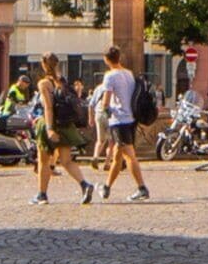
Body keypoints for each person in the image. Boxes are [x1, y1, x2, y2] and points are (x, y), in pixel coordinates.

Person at [30, 71, 91, 205]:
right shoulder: (62, 82)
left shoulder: (44, 83)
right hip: (66, 125)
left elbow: (48, 108)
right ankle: (84, 184)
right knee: (66, 160)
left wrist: (49, 128)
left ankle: (42, 194)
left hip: (50, 124)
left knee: (44, 161)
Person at [97, 62, 150, 200]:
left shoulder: (110, 76)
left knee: (129, 156)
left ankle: (142, 188)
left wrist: (105, 111)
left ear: (106, 60)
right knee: (117, 156)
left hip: (119, 120)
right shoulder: (129, 73)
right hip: (132, 118)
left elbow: (106, 102)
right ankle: (107, 187)